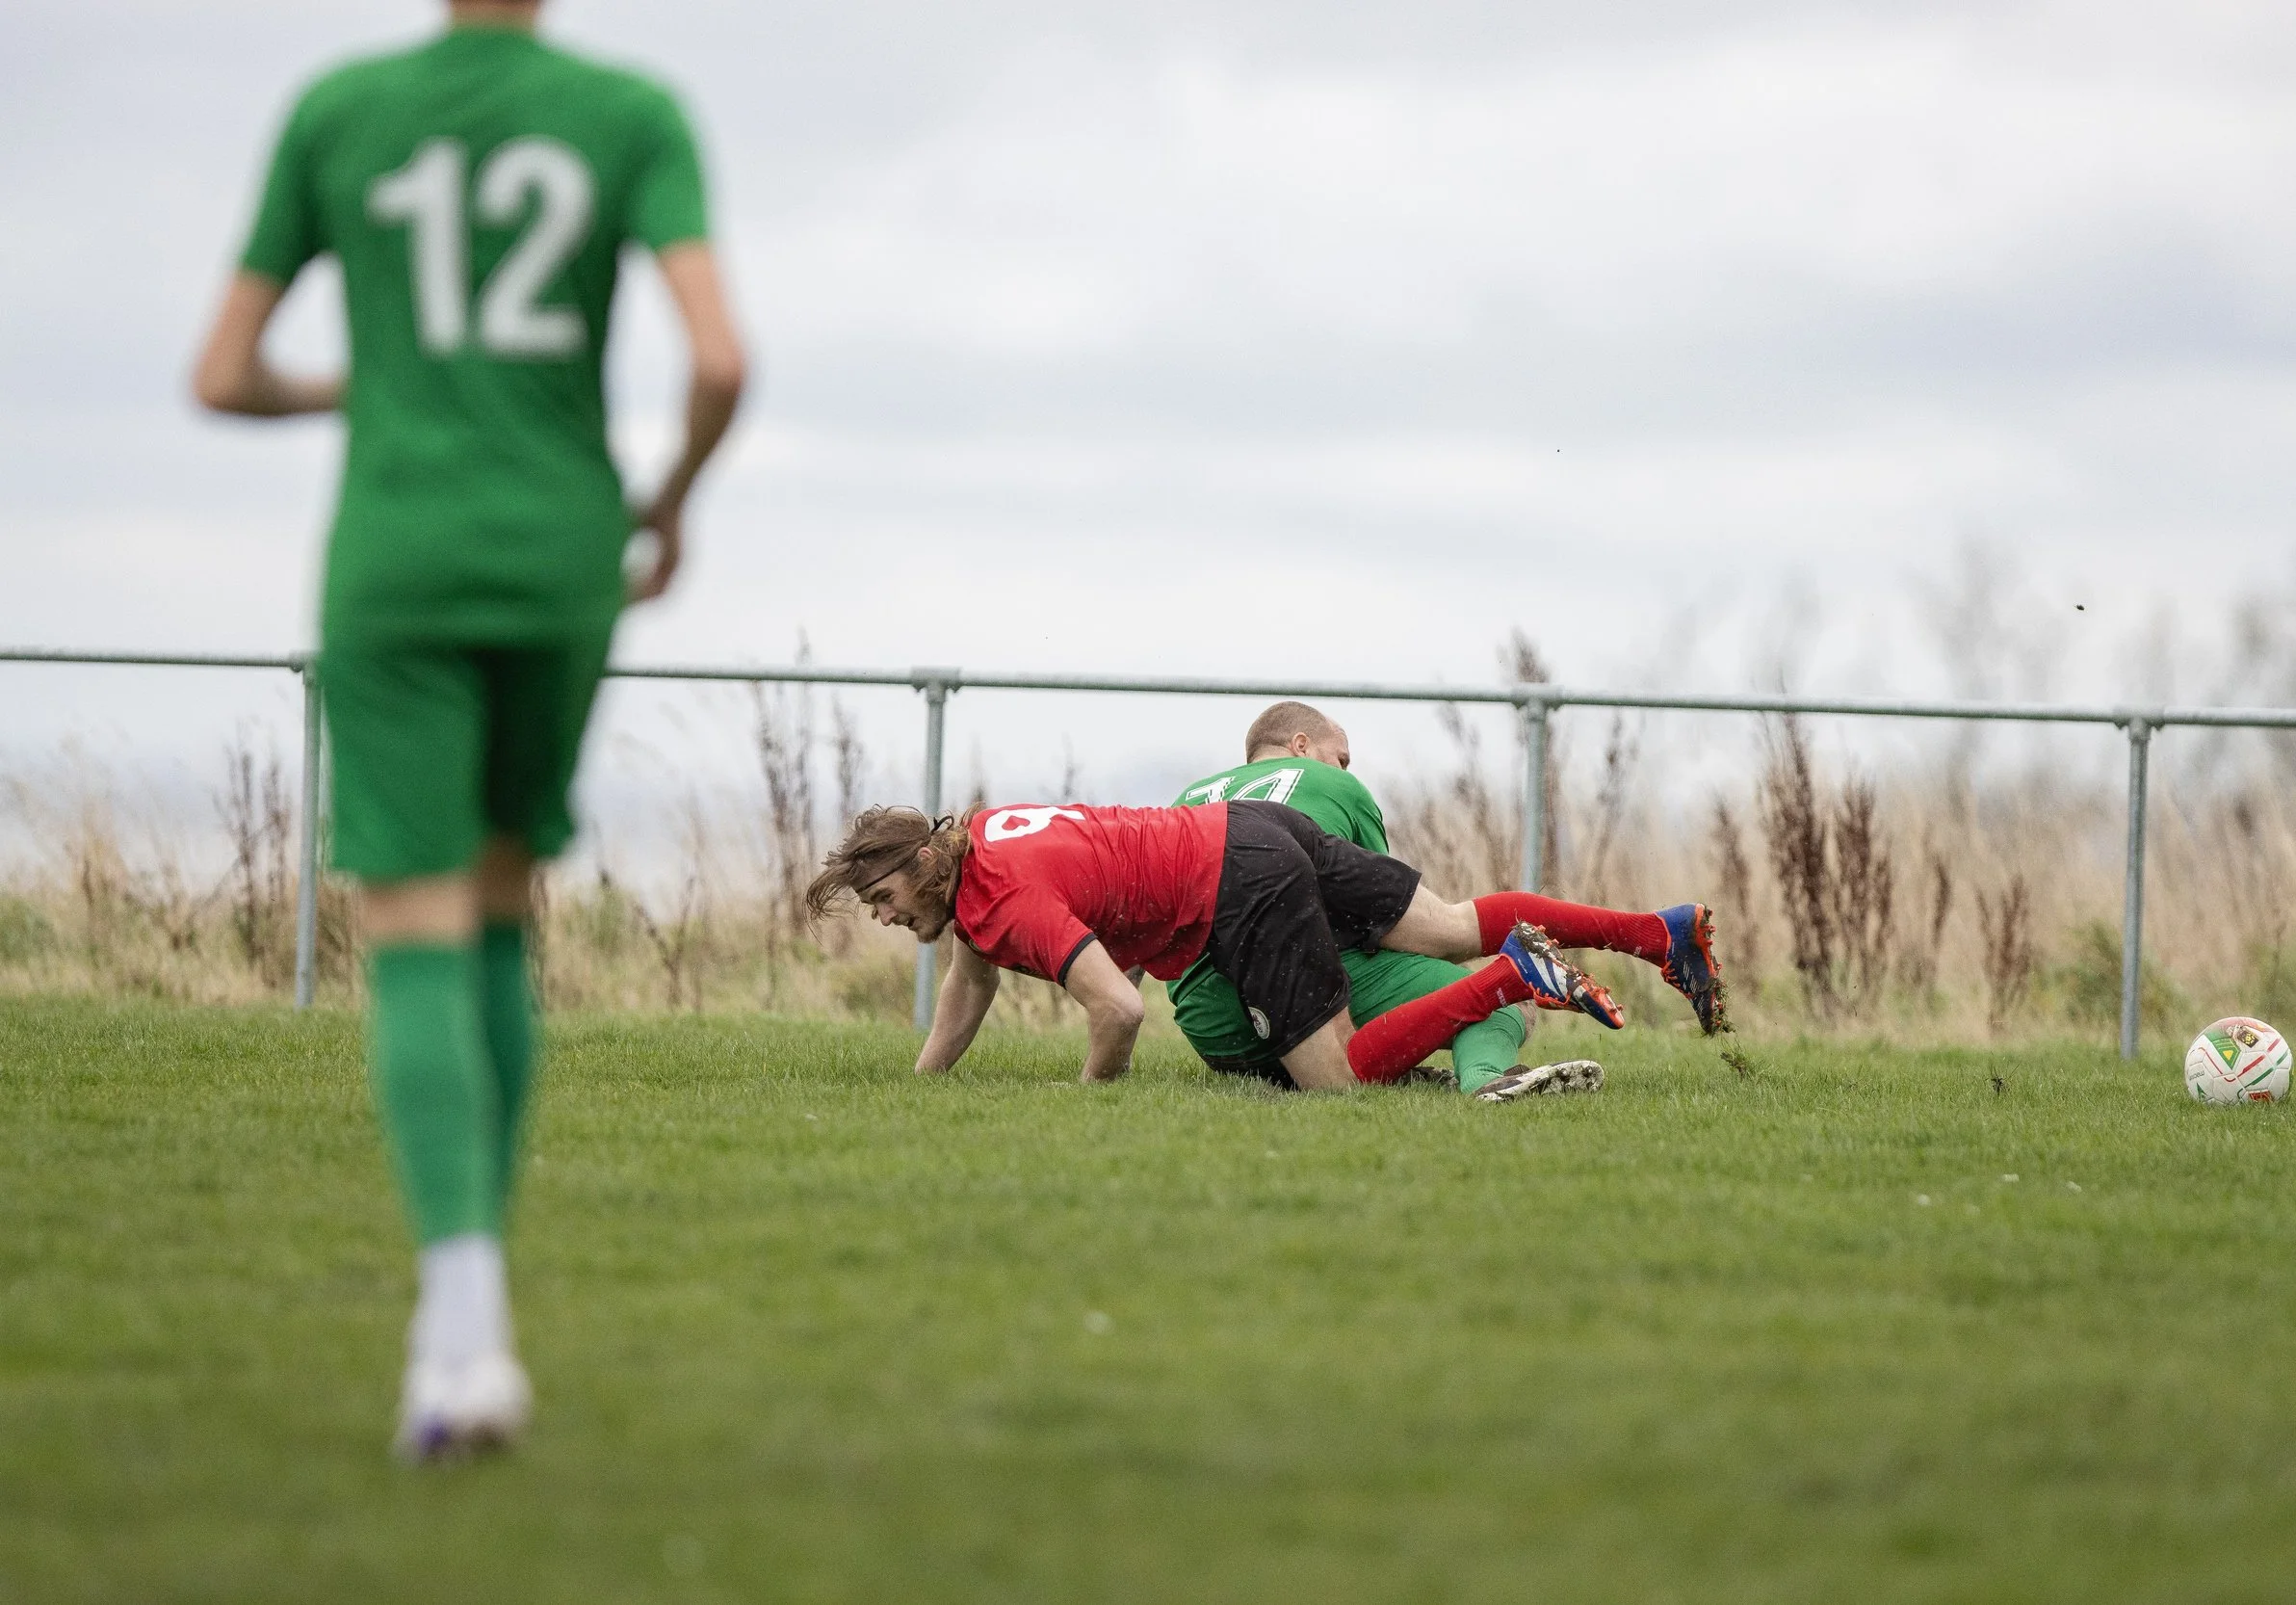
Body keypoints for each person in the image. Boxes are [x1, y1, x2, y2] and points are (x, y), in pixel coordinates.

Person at [191, 0, 745, 1460]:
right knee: (501, 902)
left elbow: (221, 371)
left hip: (401, 550)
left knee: (418, 921)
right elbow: (720, 361)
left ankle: (465, 1329)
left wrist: (358, 382)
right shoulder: (631, 111)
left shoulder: (338, 111)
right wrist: (670, 500)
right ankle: (464, 1335)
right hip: (561, 551)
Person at [803, 790, 1722, 1094]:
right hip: (1247, 826)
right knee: (1448, 927)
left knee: (1339, 1082)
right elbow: (969, 982)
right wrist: (923, 1089)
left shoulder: (999, 897)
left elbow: (1120, 1012)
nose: (883, 917)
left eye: (882, 897)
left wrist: (1090, 1102)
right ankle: (1660, 934)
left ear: (927, 863)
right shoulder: (980, 843)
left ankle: (1512, 981)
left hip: (1238, 882)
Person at [1171, 699, 1660, 1102]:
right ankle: (1488, 1076)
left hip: (1213, 1028)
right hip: (1293, 996)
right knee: (1495, 1000)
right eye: (1340, 757)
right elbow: (1382, 917)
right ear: (1301, 746)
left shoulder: (1188, 797)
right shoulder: (1333, 786)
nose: (1344, 768)